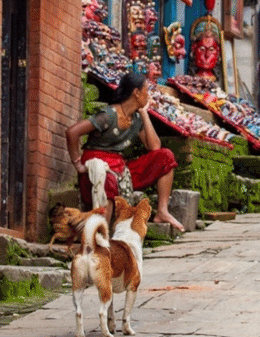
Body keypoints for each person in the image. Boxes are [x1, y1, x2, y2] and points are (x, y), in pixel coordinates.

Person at [65, 72, 184, 231]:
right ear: (136, 93)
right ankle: (102, 235)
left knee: (165, 157)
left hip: (122, 171)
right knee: (107, 180)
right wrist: (77, 164)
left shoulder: (136, 119)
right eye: (146, 91)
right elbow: (72, 132)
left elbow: (155, 147)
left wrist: (144, 114)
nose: (148, 96)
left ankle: (162, 211)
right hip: (97, 172)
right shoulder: (108, 115)